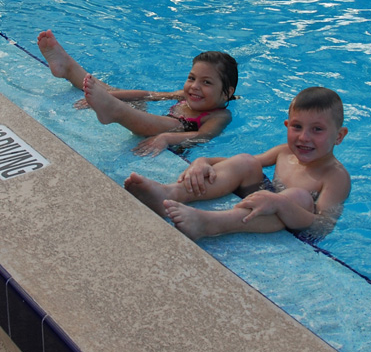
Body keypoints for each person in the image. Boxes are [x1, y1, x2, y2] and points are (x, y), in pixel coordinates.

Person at [124, 87, 350, 240]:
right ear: (286, 125)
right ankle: (169, 193)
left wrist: (281, 205)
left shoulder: (335, 177)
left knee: (299, 196)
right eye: (297, 127)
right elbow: (236, 164)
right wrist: (204, 161)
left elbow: (322, 227)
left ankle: (212, 223)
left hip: (292, 223)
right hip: (264, 204)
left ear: (339, 136)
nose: (304, 138)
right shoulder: (285, 151)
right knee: (246, 161)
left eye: (317, 130)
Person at [37, 30, 238, 156]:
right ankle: (69, 68)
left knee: (174, 124)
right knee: (125, 94)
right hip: (152, 122)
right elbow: (148, 95)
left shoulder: (220, 115)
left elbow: (203, 136)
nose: (194, 86)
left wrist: (167, 138)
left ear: (227, 92)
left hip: (176, 137)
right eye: (192, 78)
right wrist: (111, 95)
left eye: (206, 82)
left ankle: (114, 111)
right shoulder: (185, 95)